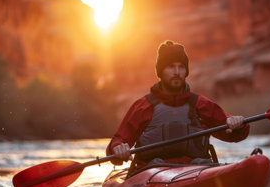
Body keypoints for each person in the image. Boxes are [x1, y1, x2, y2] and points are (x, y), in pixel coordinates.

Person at [106, 40, 250, 174]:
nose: (177, 72)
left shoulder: (201, 104)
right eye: (171, 67)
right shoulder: (143, 106)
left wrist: (238, 125)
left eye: (181, 67)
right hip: (153, 172)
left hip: (196, 169)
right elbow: (118, 141)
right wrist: (118, 148)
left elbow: (231, 131)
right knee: (156, 163)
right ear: (160, 71)